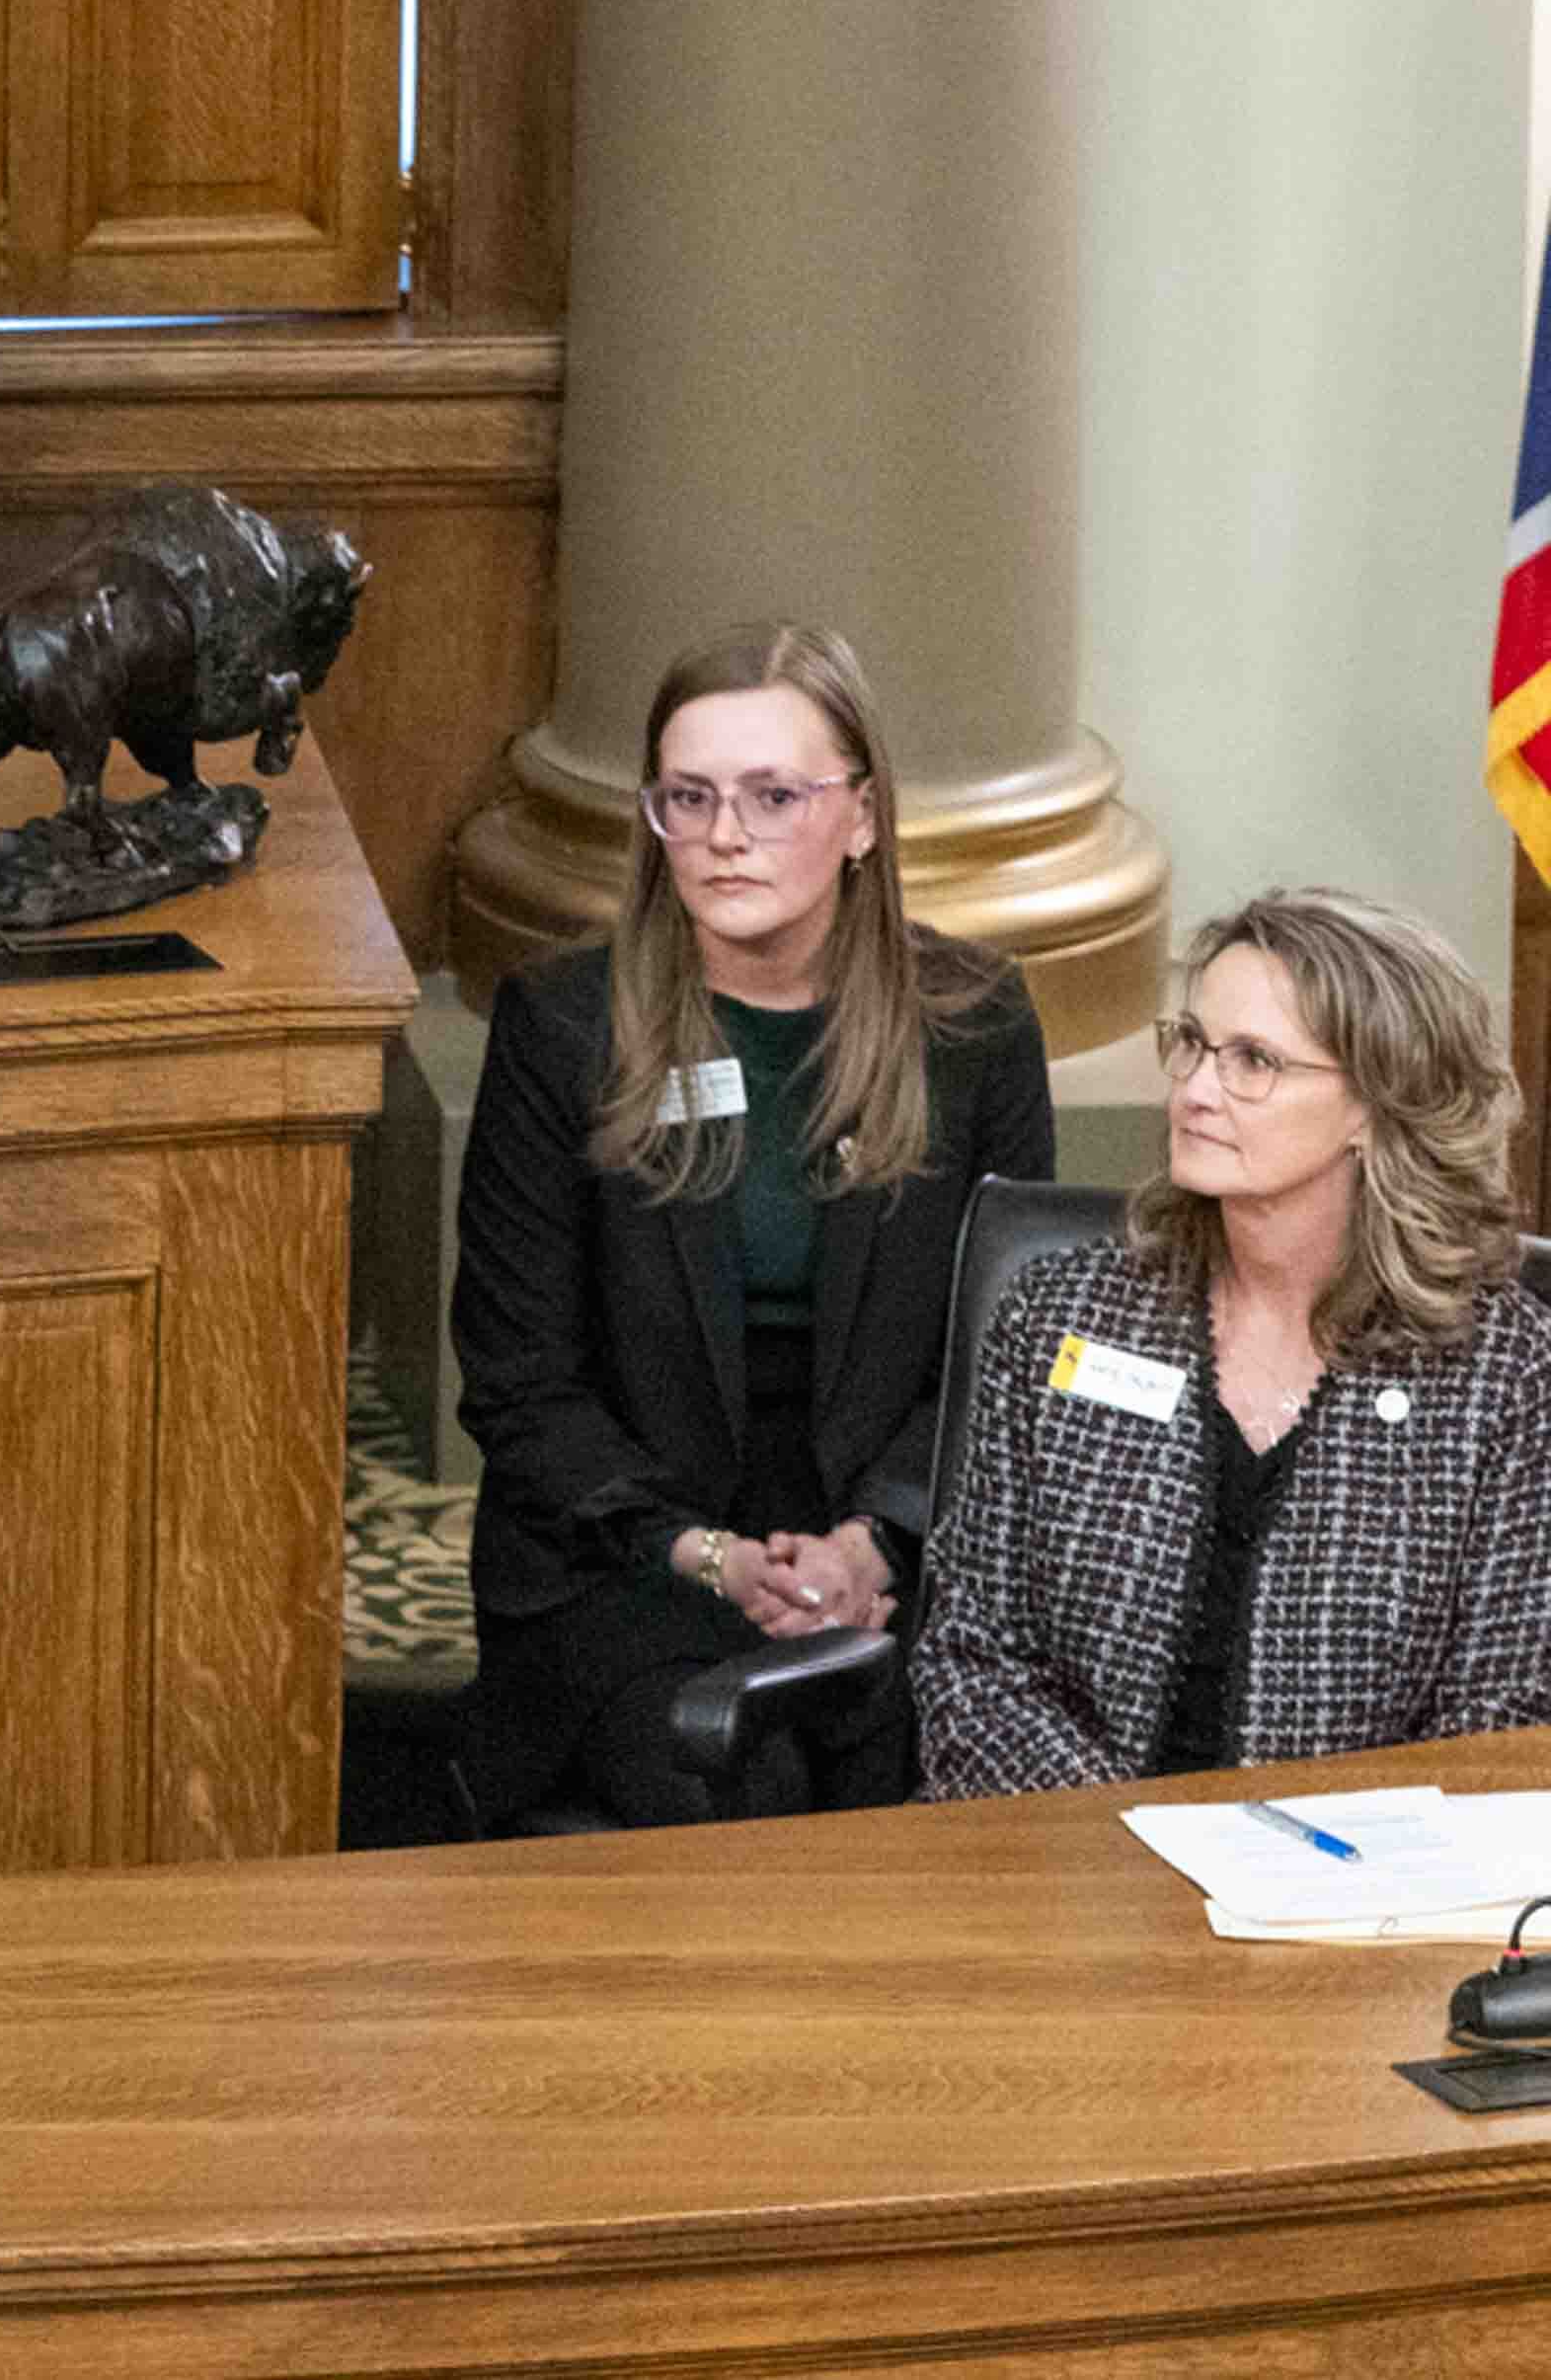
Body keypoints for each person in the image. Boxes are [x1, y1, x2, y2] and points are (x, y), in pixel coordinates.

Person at [453, 623, 1054, 1825]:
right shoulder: (563, 1028)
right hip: (629, 1554)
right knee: (738, 1784)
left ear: (864, 817)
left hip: (897, 1546)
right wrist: (714, 1560)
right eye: (690, 797)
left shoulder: (975, 1029)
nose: (726, 836)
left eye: (774, 796)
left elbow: (1001, 1361)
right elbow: (520, 1383)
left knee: (944, 1785)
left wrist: (876, 1544)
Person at [919, 891, 1551, 1796]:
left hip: (1357, 1898)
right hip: (1059, 1868)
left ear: (1374, 1104)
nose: (1197, 1090)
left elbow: (1501, 1720)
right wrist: (1120, 1839)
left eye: (1254, 1060)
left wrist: (1300, 1873)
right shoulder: (1060, 1313)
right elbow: (971, 1659)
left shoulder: (1505, 1369)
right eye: (1193, 1045)